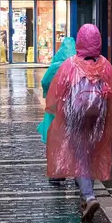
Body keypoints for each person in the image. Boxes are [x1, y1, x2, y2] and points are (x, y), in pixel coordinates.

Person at [46, 25, 112, 221]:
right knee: (88, 154)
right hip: (97, 117)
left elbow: (57, 92)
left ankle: (89, 197)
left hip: (76, 116)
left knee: (79, 155)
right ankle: (85, 195)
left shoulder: (71, 64)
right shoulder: (105, 65)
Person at [38, 36, 76, 184]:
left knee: (56, 140)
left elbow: (45, 81)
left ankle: (57, 173)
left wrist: (48, 93)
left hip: (55, 108)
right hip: (72, 107)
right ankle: (77, 172)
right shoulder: (77, 65)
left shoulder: (55, 67)